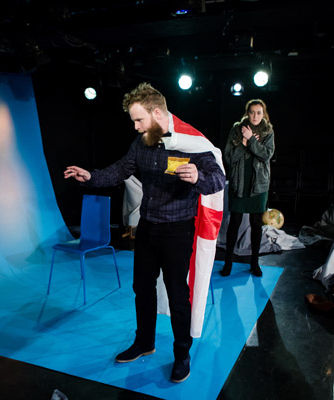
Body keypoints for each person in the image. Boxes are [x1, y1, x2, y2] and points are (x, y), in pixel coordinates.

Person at [64, 82, 225, 383]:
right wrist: (90, 177)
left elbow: (217, 179)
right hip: (148, 227)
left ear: (157, 113)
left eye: (139, 120)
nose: (136, 127)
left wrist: (198, 176)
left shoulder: (191, 143)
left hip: (178, 230)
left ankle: (182, 354)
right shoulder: (141, 143)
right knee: (142, 288)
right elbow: (120, 170)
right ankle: (144, 342)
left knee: (178, 295)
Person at [220, 99, 275, 277]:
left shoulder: (268, 131)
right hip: (239, 183)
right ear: (247, 113)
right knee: (234, 222)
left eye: (259, 112)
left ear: (263, 114)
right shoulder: (237, 130)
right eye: (252, 112)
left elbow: (266, 155)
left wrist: (251, 140)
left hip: (258, 184)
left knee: (256, 224)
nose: (255, 116)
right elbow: (229, 158)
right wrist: (243, 144)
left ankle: (254, 263)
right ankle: (228, 263)